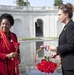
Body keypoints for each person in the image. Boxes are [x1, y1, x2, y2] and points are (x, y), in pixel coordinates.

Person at [48, 3, 74, 75]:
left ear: (66, 15)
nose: (58, 17)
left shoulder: (71, 26)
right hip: (67, 65)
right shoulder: (66, 27)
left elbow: (71, 45)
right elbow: (66, 44)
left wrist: (56, 48)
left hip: (71, 66)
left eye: (59, 15)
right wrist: (57, 53)